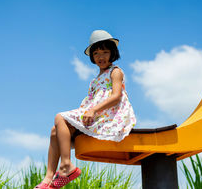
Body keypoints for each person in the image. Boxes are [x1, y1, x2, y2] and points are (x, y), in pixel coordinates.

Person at [34, 30, 136, 189]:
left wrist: (93, 110)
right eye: (96, 53)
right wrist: (86, 112)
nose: (100, 57)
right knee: (55, 131)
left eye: (105, 52)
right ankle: (48, 180)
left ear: (113, 53)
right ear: (92, 57)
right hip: (94, 114)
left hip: (108, 115)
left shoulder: (115, 72)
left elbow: (116, 96)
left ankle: (66, 165)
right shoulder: (95, 81)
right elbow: (88, 102)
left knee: (59, 116)